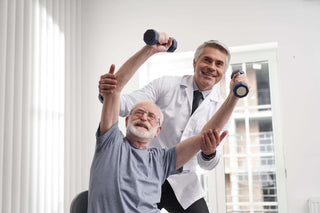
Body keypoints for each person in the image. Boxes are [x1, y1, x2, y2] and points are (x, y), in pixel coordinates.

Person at [98, 33, 249, 212]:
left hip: (184, 181)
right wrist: (109, 92)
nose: (211, 67)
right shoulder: (166, 85)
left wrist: (209, 153)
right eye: (206, 60)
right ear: (194, 62)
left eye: (218, 64)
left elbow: (207, 163)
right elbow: (123, 105)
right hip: (147, 171)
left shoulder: (222, 110)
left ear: (224, 72)